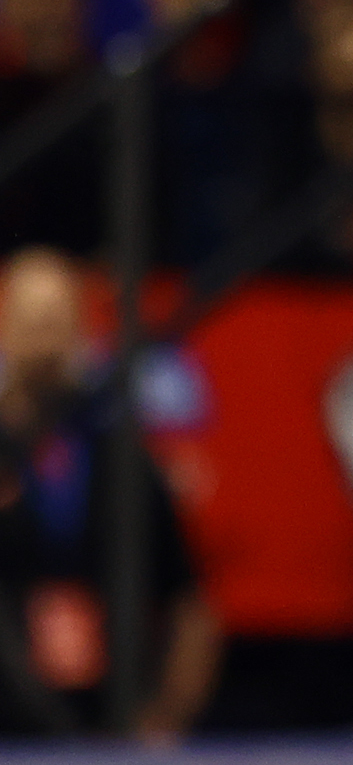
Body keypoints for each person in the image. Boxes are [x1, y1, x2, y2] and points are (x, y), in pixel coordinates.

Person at [0, 248, 214, 739]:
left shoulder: (120, 456)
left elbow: (189, 604)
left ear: (80, 328)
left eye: (55, 321)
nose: (43, 343)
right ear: (6, 329)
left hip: (109, 726)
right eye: (31, 322)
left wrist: (166, 717)